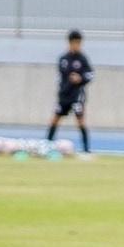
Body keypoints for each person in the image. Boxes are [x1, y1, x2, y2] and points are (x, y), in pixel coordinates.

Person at [47, 30, 93, 158]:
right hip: (64, 96)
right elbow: (60, 78)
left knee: (80, 121)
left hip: (77, 95)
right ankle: (47, 146)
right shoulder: (63, 59)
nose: (76, 46)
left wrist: (80, 78)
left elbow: (90, 75)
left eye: (78, 43)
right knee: (54, 120)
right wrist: (61, 91)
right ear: (69, 43)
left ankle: (86, 150)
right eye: (74, 43)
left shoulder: (83, 59)